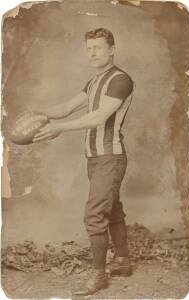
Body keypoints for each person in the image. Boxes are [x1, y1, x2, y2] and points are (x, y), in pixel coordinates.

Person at [33, 27, 134, 295]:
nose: (92, 53)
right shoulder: (94, 82)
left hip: (110, 157)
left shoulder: (121, 80)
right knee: (111, 208)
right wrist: (38, 114)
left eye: (98, 48)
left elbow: (98, 117)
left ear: (112, 49)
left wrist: (59, 128)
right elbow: (66, 107)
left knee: (94, 214)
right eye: (89, 48)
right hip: (95, 158)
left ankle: (99, 275)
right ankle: (122, 261)